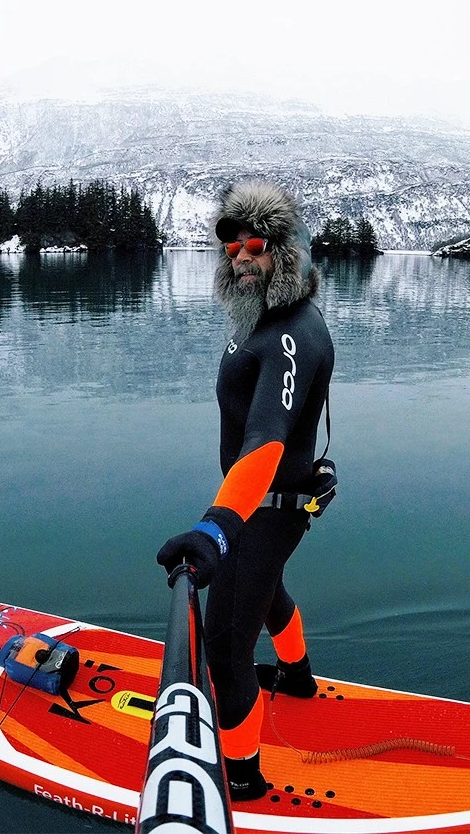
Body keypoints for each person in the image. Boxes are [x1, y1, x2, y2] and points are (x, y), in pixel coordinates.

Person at [156, 179, 335, 801]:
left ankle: (242, 780)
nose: (240, 257)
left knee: (228, 648)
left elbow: (266, 440)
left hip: (265, 507)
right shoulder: (262, 322)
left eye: (255, 245)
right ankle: (298, 679)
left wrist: (215, 529)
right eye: (232, 248)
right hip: (263, 503)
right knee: (267, 590)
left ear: (285, 250)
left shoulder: (289, 334)